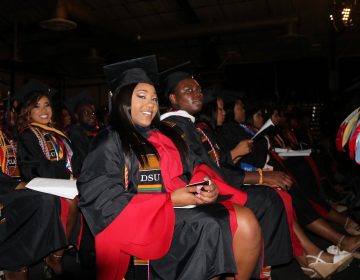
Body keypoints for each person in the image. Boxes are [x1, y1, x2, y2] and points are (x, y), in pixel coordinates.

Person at [77, 55, 262, 280]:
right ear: (122, 100)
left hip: (179, 206)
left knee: (247, 221)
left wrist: (207, 186)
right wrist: (170, 200)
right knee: (210, 226)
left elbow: (194, 167)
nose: (150, 105)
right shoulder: (110, 139)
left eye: (154, 99)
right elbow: (101, 199)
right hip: (143, 218)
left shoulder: (165, 133)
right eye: (141, 97)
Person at [16, 83, 81, 278]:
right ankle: (56, 254)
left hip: (59, 182)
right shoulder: (28, 134)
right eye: (37, 106)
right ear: (28, 111)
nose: (44, 110)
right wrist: (66, 176)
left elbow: (71, 160)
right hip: (39, 183)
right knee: (71, 202)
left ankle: (61, 252)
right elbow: (32, 167)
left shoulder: (55, 133)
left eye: (47, 105)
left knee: (83, 195)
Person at [0, 103, 68, 280]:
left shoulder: (8, 133)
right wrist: (13, 185)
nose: (9, 114)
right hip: (5, 189)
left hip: (12, 185)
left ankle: (23, 258)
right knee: (43, 201)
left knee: (49, 199)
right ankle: (15, 261)